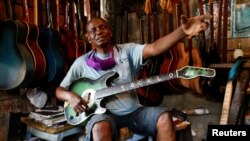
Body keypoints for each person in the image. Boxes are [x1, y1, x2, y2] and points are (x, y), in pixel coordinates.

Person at [56, 14, 212, 141]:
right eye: (93, 30)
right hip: (103, 115)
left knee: (165, 117)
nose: (98, 31)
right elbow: (59, 90)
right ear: (88, 37)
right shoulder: (81, 63)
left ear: (110, 31)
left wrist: (182, 32)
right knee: (99, 126)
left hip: (133, 112)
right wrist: (70, 96)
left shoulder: (128, 51)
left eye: (102, 27)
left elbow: (155, 48)